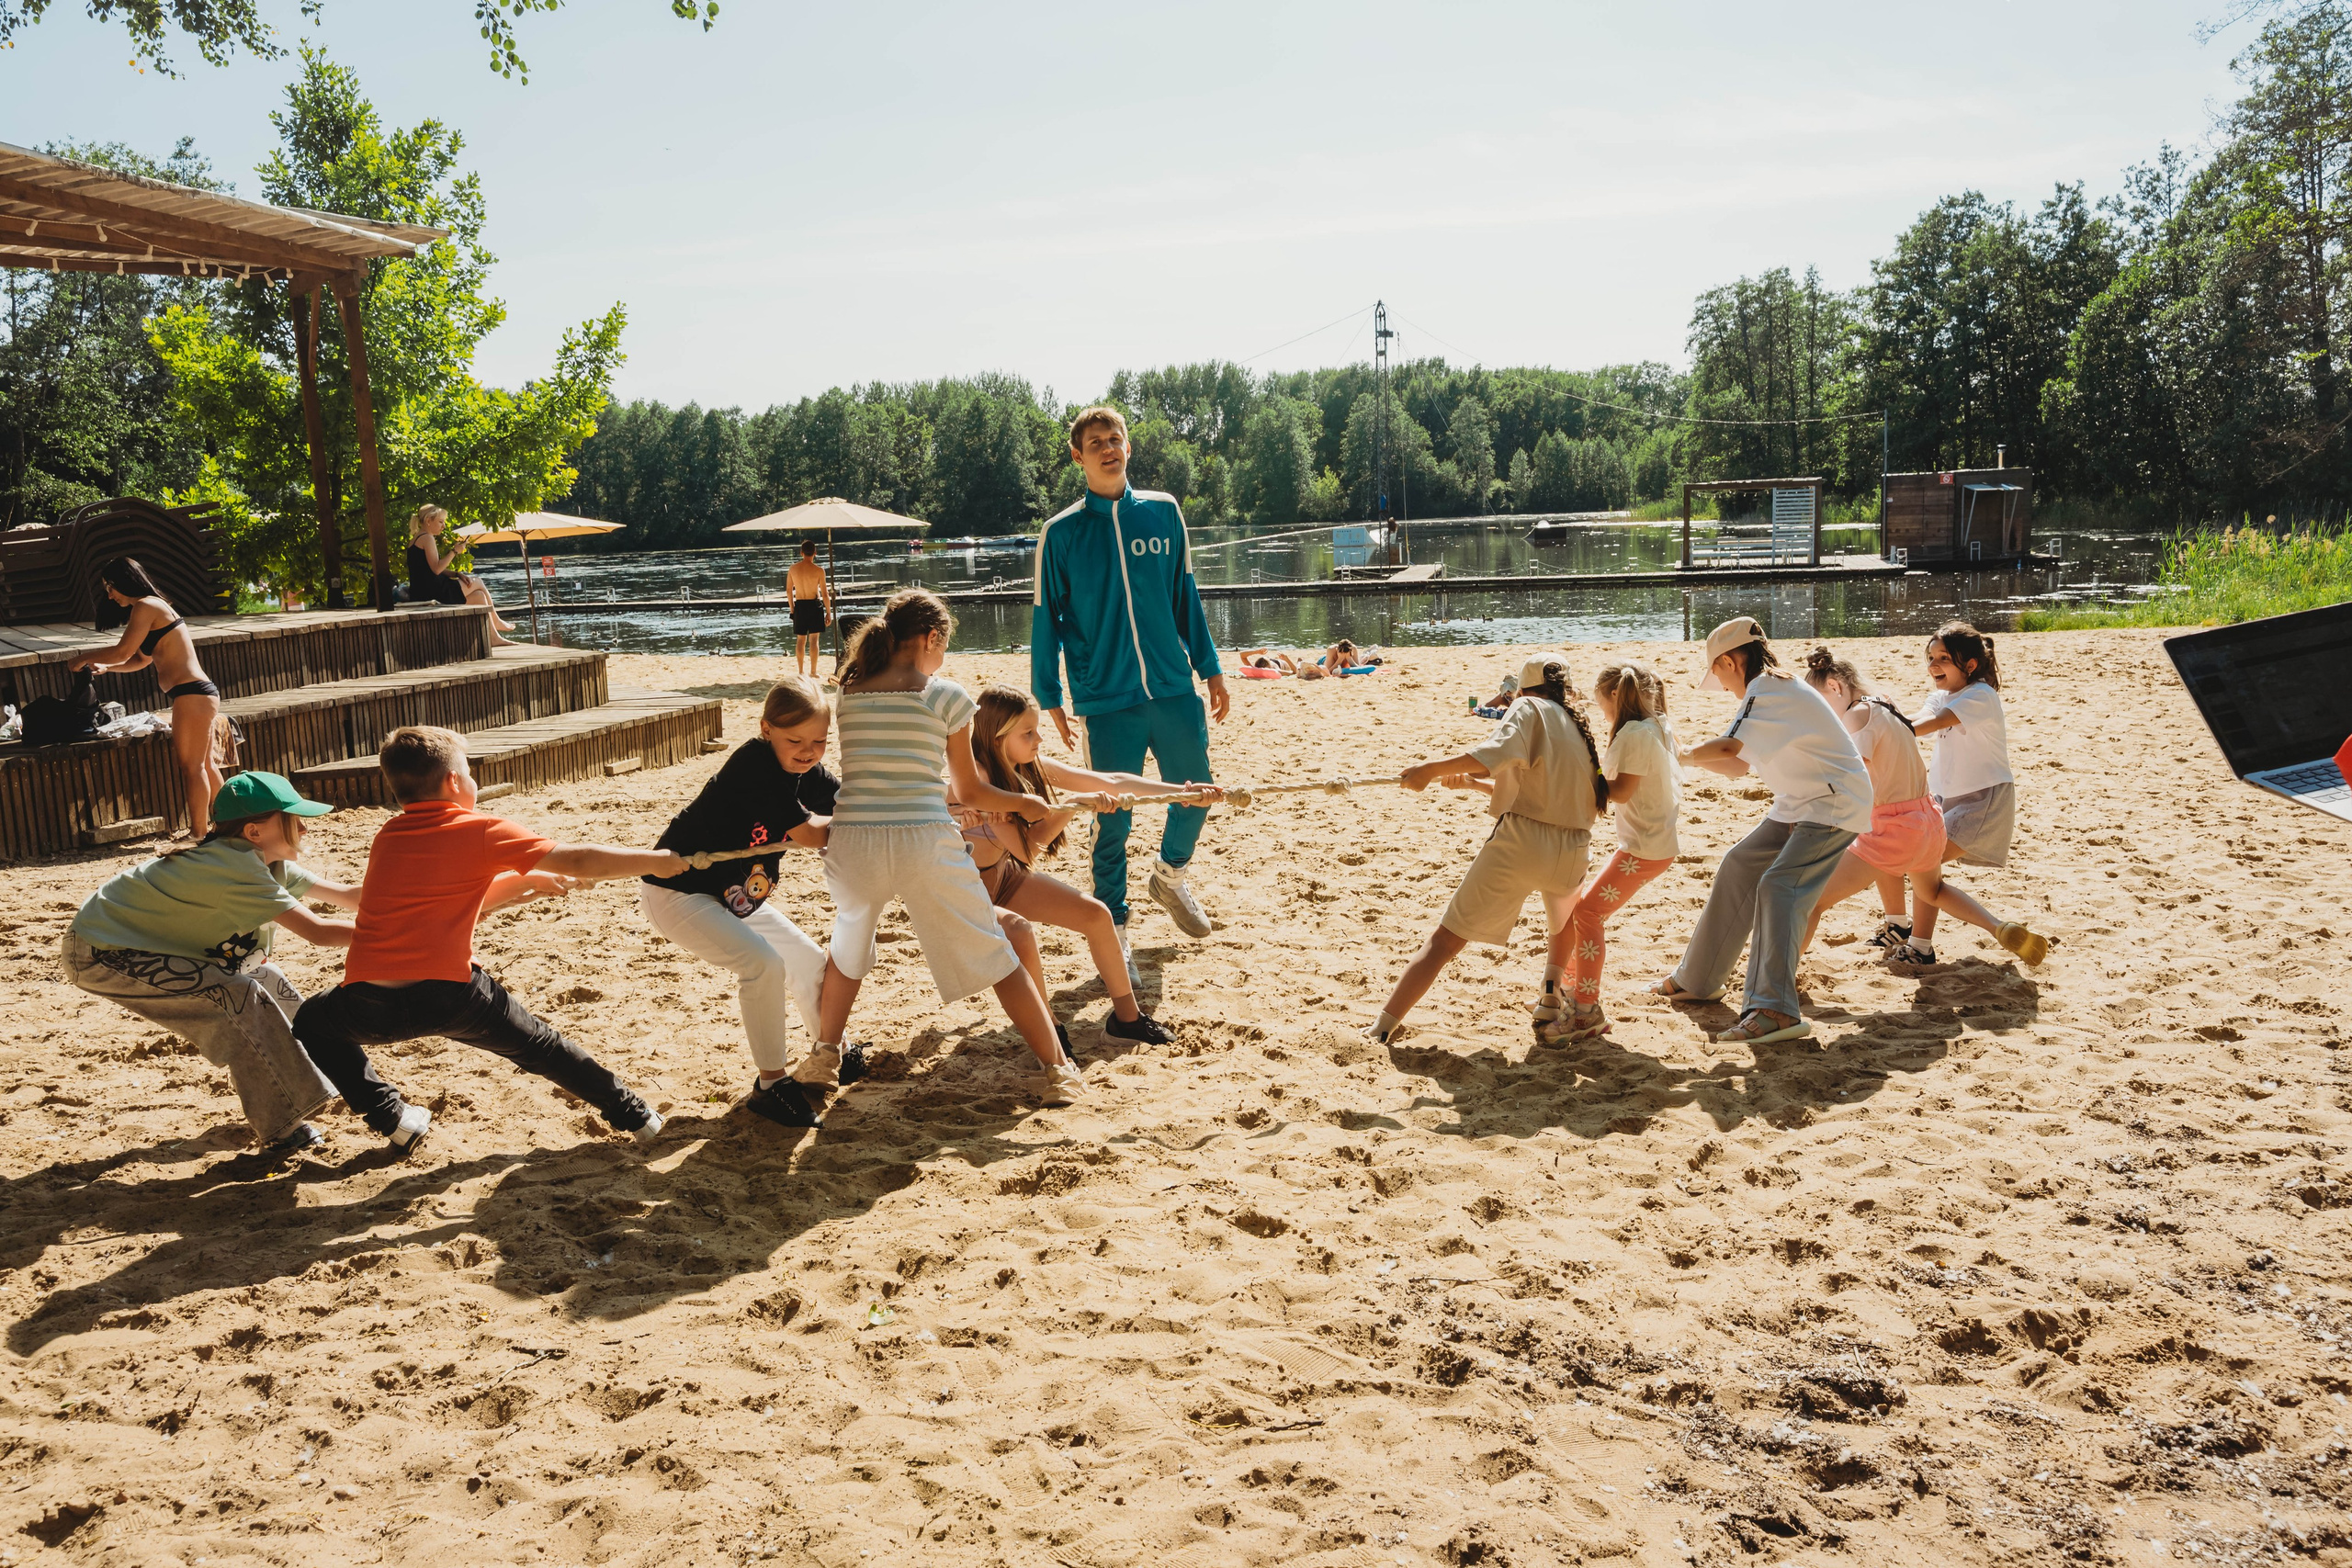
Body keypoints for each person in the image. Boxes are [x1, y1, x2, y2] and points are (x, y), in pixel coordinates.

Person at [292, 726, 679, 1155]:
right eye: (470, 772)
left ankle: (392, 1118)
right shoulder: (480, 828)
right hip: (450, 997)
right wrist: (658, 862)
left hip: (369, 1003)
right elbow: (580, 857)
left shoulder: (388, 837)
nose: (473, 781)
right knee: (541, 1048)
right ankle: (638, 1117)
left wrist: (532, 881)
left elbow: (453, 900)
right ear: (455, 781)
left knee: (312, 1021)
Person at [804, 589, 1084, 1107]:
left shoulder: (851, 690)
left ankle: (824, 1055)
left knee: (848, 948)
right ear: (932, 638)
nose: (943, 658)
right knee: (996, 952)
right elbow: (972, 791)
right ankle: (1059, 1070)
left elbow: (888, 776)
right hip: (922, 843)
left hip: (853, 842)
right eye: (943, 646)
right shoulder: (945, 695)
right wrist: (1025, 805)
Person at [60, 772, 358, 1156]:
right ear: (254, 831)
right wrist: (400, 935)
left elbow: (351, 897)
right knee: (236, 998)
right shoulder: (234, 870)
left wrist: (420, 895)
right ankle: (283, 1125)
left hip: (138, 942)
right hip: (101, 952)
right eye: (293, 818)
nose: (304, 826)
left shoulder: (262, 860)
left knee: (268, 978)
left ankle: (310, 1080)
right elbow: (318, 932)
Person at [1032, 405, 1227, 972]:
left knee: (1197, 792)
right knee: (1110, 815)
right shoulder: (1061, 533)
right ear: (1078, 456)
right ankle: (1114, 923)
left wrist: (1210, 667)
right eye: (1095, 442)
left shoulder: (1165, 513)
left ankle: (1169, 877)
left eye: (1114, 438)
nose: (1107, 447)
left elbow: (1184, 596)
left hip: (1171, 685)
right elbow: (1047, 618)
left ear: (1128, 446)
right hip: (1105, 698)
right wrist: (1050, 698)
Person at [961, 683, 1220, 1052]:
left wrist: (1181, 791)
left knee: (1098, 915)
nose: (1038, 740)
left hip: (1003, 877)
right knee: (1021, 935)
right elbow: (1027, 848)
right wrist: (1070, 807)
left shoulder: (1025, 766)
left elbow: (1111, 782)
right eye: (1028, 733)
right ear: (998, 736)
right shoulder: (979, 781)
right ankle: (1049, 1029)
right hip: (969, 890)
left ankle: (1126, 1021)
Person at [1654, 617, 1871, 1047]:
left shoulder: (1769, 689)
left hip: (1834, 803)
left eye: (1717, 672)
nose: (1721, 683)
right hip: (1802, 801)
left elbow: (1727, 750)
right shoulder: (1769, 690)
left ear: (1730, 662)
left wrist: (1674, 753)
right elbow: (1736, 765)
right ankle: (1698, 979)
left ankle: (1774, 1010)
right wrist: (1682, 759)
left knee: (1779, 886)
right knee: (1740, 865)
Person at [1366, 655, 1606, 1044]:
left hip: (1522, 843)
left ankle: (1383, 1027)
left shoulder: (1528, 706)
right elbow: (1549, 791)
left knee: (1445, 940)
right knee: (1563, 925)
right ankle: (1550, 994)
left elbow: (1494, 753)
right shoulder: (1578, 725)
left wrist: (1430, 769)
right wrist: (1473, 785)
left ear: (1522, 691)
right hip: (1575, 846)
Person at [637, 675, 841, 1129]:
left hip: (732, 894)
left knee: (809, 962)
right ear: (766, 729)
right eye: (795, 740)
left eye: (819, 741)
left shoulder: (804, 768)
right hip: (679, 891)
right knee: (763, 965)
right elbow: (812, 834)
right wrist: (868, 820)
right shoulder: (754, 765)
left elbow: (848, 800)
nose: (808, 751)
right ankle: (771, 1086)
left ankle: (828, 1057)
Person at [1887, 624, 2049, 967]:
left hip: (1982, 800)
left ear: (1970, 665)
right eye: (1930, 658)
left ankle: (1925, 939)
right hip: (1944, 799)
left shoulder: (1979, 695)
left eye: (1943, 658)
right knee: (1923, 869)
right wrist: (1884, 718)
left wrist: (1881, 725)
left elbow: (1927, 725)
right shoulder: (1941, 696)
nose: (1933, 666)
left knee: (1921, 864)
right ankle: (1924, 943)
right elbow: (1916, 718)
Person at [1534, 661, 1679, 1044]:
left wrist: (1583, 772)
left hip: (1645, 847)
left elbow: (1620, 792)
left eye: (1602, 705)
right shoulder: (1655, 724)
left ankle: (1586, 1010)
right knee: (1584, 908)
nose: (1602, 712)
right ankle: (1571, 989)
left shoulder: (1634, 733)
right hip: (1650, 843)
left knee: (1587, 912)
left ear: (1614, 696)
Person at [1791, 647, 1947, 954]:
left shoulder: (1856, 714)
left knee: (1808, 899)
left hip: (1894, 828)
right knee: (1934, 891)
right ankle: (1993, 928)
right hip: (1926, 817)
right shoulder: (1884, 702)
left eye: (1820, 705)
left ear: (1835, 688)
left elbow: (1850, 778)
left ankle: (1780, 978)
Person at [67, 557, 228, 839]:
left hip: (192, 694)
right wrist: (108, 667)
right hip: (195, 694)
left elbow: (122, 651)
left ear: (123, 582)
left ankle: (199, 833)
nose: (109, 595)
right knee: (204, 766)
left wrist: (82, 657)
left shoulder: (147, 605)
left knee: (192, 767)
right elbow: (140, 659)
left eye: (110, 587)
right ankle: (227, 824)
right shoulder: (153, 606)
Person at [405, 504, 515, 645]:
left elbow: (428, 568)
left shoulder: (416, 538)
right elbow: (437, 569)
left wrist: (456, 573)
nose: (443, 526)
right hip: (432, 592)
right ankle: (496, 620)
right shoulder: (427, 538)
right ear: (428, 520)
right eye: (440, 522)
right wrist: (455, 551)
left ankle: (494, 638)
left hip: (423, 590)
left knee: (479, 597)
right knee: (478, 581)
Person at [786, 539, 832, 679]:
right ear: (815, 553)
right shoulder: (819, 570)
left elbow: (789, 591)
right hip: (814, 605)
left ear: (801, 553)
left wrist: (792, 609)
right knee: (814, 640)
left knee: (801, 640)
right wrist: (829, 612)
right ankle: (813, 671)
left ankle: (801, 671)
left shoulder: (793, 569)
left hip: (800, 605)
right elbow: (825, 594)